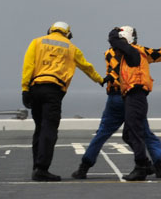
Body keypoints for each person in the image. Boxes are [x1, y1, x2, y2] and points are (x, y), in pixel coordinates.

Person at [71, 31, 161, 180]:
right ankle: (158, 166)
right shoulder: (140, 51)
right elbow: (159, 53)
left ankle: (83, 168)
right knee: (145, 134)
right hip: (131, 95)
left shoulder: (109, 53)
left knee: (102, 133)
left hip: (114, 98)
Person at [20, 21, 103, 182]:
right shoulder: (71, 48)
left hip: (35, 88)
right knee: (49, 130)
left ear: (50, 30)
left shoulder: (37, 42)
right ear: (68, 33)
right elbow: (86, 66)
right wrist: (100, 79)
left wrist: (25, 89)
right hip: (53, 92)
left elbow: (28, 66)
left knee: (39, 128)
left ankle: (36, 167)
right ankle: (42, 169)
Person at [105, 25, 161, 181]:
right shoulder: (136, 53)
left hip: (135, 96)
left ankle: (141, 168)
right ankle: (146, 164)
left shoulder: (131, 51)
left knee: (134, 134)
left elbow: (113, 39)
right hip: (132, 97)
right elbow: (160, 53)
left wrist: (115, 31)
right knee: (129, 134)